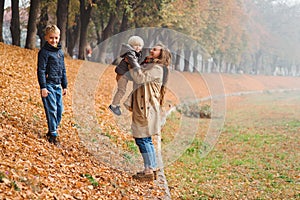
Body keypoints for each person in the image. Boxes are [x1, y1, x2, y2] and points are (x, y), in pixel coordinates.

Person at [125, 43, 171, 181]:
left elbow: (140, 78)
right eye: (152, 48)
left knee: (143, 138)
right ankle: (150, 168)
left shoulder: (157, 68)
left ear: (161, 54)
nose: (151, 50)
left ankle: (149, 169)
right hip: (143, 105)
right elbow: (135, 76)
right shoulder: (149, 65)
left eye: (155, 50)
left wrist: (132, 63)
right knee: (143, 138)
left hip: (148, 107)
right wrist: (130, 64)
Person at [37, 24, 68, 146]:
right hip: (48, 85)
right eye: (51, 38)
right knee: (52, 109)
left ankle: (51, 130)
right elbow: (41, 70)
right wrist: (43, 87)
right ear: (46, 37)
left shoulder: (60, 52)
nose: (53, 40)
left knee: (59, 110)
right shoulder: (44, 52)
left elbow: (63, 69)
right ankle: (53, 135)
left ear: (59, 38)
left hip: (57, 85)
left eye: (56, 38)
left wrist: (65, 85)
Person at [108, 36, 144, 116]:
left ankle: (119, 103)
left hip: (125, 75)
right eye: (135, 45)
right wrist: (138, 69)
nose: (138, 47)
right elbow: (133, 61)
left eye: (139, 45)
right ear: (131, 46)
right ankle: (113, 106)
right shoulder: (130, 53)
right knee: (121, 90)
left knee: (126, 89)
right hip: (122, 74)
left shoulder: (136, 53)